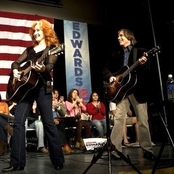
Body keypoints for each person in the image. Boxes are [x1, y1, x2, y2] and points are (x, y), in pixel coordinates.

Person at [2, 19, 64, 172]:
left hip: (43, 88)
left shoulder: (52, 49)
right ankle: (17, 163)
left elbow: (49, 66)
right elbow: (15, 63)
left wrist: (42, 68)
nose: (36, 33)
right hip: (26, 90)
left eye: (39, 30)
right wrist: (16, 71)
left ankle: (58, 159)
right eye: (34, 31)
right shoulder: (29, 50)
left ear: (46, 32)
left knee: (48, 123)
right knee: (18, 123)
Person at [103, 28, 155, 160]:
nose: (118, 38)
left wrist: (143, 64)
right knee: (119, 119)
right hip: (122, 90)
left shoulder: (141, 52)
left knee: (143, 120)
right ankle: (114, 150)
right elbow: (106, 68)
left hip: (138, 90)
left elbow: (148, 70)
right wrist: (111, 77)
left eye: (121, 35)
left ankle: (147, 149)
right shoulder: (116, 54)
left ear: (129, 38)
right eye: (118, 35)